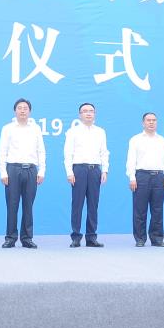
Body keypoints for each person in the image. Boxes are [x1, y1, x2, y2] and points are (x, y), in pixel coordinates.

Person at [0, 98, 46, 249]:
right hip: (13, 169)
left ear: (30, 111)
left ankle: (27, 238)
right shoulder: (8, 128)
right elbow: (2, 151)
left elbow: (41, 150)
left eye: (25, 108)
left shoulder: (35, 129)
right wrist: (3, 172)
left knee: (28, 205)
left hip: (31, 170)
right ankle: (10, 238)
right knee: (12, 205)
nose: (22, 110)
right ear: (15, 111)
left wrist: (42, 170)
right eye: (20, 108)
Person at [64, 102, 109, 248]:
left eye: (91, 111)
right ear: (80, 115)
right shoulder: (73, 132)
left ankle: (91, 237)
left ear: (95, 114)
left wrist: (104, 170)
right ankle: (76, 237)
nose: (88, 113)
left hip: (95, 170)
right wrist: (69, 172)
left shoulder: (100, 132)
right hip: (79, 170)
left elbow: (104, 152)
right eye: (85, 111)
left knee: (93, 205)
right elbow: (68, 153)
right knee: (77, 204)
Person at [125, 112, 164, 247]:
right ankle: (140, 238)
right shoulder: (135, 139)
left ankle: (157, 238)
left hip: (158, 176)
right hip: (141, 176)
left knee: (157, 209)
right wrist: (132, 177)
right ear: (143, 123)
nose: (151, 122)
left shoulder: (162, 140)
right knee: (140, 209)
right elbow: (131, 160)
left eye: (154, 120)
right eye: (148, 120)